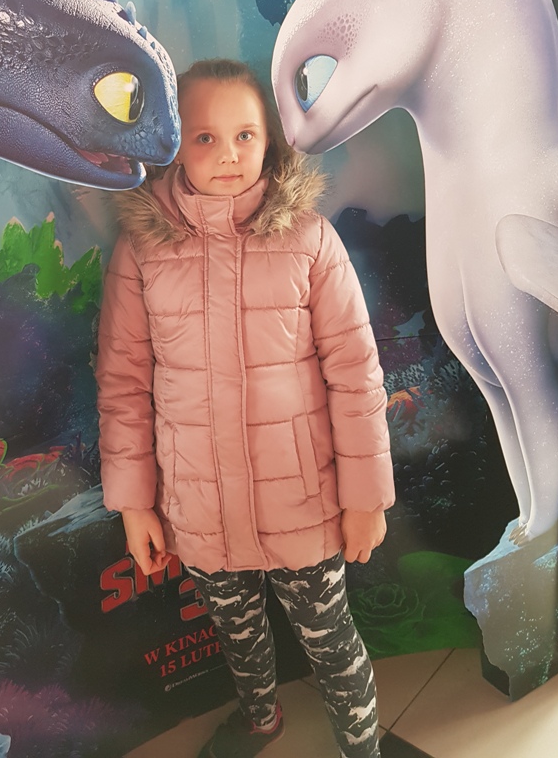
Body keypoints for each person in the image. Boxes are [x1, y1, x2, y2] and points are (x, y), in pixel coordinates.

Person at [96, 59, 395, 758]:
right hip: (199, 505)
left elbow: (355, 374)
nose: (228, 155)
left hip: (305, 502)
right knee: (237, 635)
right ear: (175, 143)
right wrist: (135, 504)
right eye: (205, 137)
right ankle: (260, 718)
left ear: (270, 140)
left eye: (244, 135)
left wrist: (366, 497)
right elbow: (122, 382)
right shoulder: (141, 251)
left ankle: (363, 746)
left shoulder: (310, 240)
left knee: (332, 643)